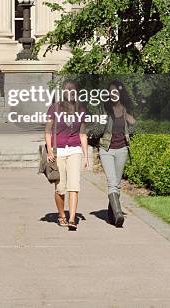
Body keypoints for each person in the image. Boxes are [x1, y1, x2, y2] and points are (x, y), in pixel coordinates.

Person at [45, 80, 89, 231]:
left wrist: (85, 155)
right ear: (63, 92)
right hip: (59, 151)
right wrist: (50, 150)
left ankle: (72, 219)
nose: (70, 93)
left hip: (74, 150)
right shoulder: (55, 108)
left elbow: (83, 134)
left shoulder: (81, 109)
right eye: (67, 90)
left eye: (73, 90)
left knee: (74, 186)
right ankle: (61, 214)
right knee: (60, 188)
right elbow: (48, 131)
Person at [98, 79, 135, 227]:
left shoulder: (126, 108)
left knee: (117, 184)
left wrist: (129, 119)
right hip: (106, 149)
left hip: (122, 149)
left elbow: (134, 124)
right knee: (112, 182)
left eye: (116, 91)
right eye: (110, 91)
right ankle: (119, 213)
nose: (113, 94)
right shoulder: (104, 108)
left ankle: (111, 214)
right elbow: (97, 128)